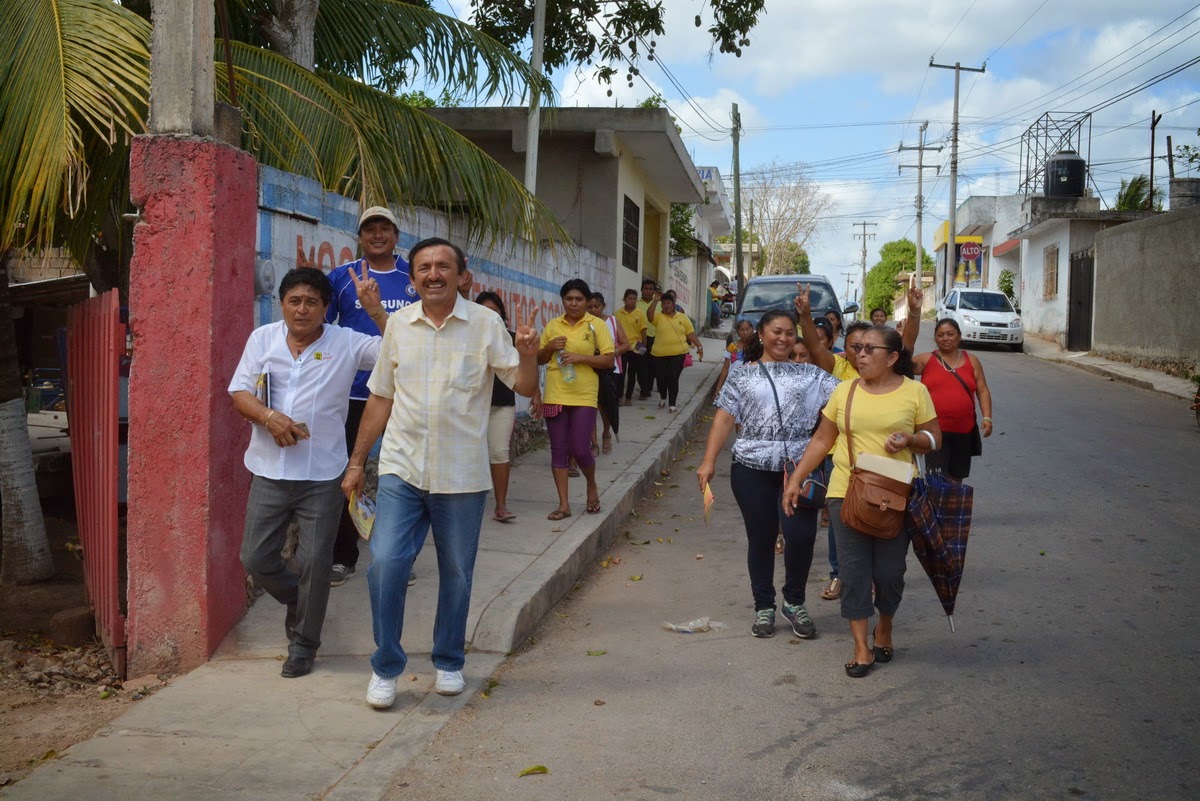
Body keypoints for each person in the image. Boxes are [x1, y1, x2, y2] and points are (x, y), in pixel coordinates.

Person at [341, 237, 539, 708]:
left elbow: (524, 386)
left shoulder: (486, 325)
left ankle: (449, 660)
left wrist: (529, 354)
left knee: (457, 572)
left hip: (462, 474)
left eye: (443, 266)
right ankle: (386, 666)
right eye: (424, 267)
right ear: (412, 280)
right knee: (386, 564)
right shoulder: (398, 327)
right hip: (402, 468)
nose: (433, 274)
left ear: (462, 275)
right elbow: (381, 396)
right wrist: (357, 461)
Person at [229, 266, 386, 679]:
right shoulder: (262, 339)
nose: (302, 309)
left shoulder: (346, 343)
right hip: (269, 469)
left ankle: (303, 645)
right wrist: (270, 418)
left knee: (316, 562)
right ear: (282, 304)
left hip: (322, 474)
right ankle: (301, 601)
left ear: (325, 308)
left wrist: (376, 312)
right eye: (294, 301)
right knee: (255, 557)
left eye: (312, 302)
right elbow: (240, 392)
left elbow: (399, 351)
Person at [783, 325, 941, 678]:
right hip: (846, 492)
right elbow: (822, 440)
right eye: (858, 348)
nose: (861, 354)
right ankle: (860, 647)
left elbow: (935, 438)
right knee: (853, 574)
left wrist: (911, 439)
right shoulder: (845, 391)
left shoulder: (915, 391)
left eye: (871, 349)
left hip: (895, 495)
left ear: (893, 357)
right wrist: (796, 478)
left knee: (889, 573)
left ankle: (884, 625)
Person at [697, 311, 838, 640]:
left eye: (789, 333)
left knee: (800, 536)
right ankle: (764, 606)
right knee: (760, 539)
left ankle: (794, 601)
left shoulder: (811, 375)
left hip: (798, 470)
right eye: (776, 331)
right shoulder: (741, 375)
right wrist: (708, 461)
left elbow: (848, 398)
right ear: (761, 334)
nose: (783, 338)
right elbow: (724, 419)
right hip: (751, 468)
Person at [325, 206, 417, 589]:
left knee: (404, 477)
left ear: (396, 236)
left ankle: (399, 558)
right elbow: (322, 329)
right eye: (369, 229)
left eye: (384, 229)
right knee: (348, 473)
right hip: (353, 395)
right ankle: (343, 556)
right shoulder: (341, 278)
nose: (377, 235)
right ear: (360, 237)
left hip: (404, 395)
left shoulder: (413, 277)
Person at [538, 279, 615, 520]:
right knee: (558, 450)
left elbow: (608, 360)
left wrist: (580, 357)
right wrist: (549, 347)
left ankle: (591, 485)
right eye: (569, 299)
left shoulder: (596, 325)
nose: (573, 303)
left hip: (584, 394)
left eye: (579, 299)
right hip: (555, 393)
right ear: (563, 301)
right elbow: (539, 359)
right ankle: (564, 505)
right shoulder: (553, 325)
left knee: (580, 448)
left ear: (587, 301)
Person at [912, 318, 994, 480]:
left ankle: (954, 498)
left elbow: (982, 390)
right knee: (936, 479)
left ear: (959, 336)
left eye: (950, 334)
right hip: (934, 431)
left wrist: (987, 417)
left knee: (957, 478)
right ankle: (937, 498)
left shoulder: (972, 361)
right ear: (935, 338)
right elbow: (899, 365)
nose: (945, 338)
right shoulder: (925, 360)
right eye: (940, 335)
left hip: (963, 430)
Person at [475, 291, 528, 522]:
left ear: (502, 316)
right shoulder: (467, 337)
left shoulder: (513, 339)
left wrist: (536, 395)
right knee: (472, 455)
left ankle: (501, 506)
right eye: (484, 311)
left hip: (502, 405)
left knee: (499, 452)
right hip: (473, 407)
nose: (489, 316)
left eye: (494, 311)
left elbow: (526, 372)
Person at [646, 290, 702, 412]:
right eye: (664, 303)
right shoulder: (658, 317)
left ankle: (672, 404)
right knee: (661, 379)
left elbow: (690, 334)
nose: (666, 305)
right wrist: (655, 301)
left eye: (668, 303)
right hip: (659, 355)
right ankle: (663, 397)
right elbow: (649, 316)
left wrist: (699, 346)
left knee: (673, 378)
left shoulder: (683, 317)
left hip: (679, 354)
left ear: (673, 304)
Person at [587, 292, 629, 455]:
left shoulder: (612, 321)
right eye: (590, 307)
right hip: (589, 370)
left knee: (606, 406)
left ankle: (606, 432)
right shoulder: (584, 323)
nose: (593, 310)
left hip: (610, 370)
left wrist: (613, 352)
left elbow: (626, 344)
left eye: (596, 306)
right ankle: (593, 442)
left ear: (603, 306)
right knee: (591, 406)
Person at [615, 288, 649, 406]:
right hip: (622, 346)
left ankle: (628, 397)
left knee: (632, 373)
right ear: (624, 299)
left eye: (634, 299)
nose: (632, 301)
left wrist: (644, 347)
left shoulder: (640, 313)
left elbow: (643, 331)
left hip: (636, 347)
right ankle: (619, 396)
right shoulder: (618, 313)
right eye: (630, 298)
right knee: (621, 373)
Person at [713, 318, 754, 398]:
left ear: (752, 330)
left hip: (750, 386)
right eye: (742, 330)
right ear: (738, 332)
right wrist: (718, 388)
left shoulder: (756, 348)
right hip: (733, 385)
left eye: (747, 329)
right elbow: (725, 368)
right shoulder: (732, 347)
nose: (745, 333)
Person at [634, 279, 660, 400]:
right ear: (641, 290)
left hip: (656, 339)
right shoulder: (635, 305)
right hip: (639, 340)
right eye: (645, 288)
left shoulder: (659, 305)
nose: (648, 291)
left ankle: (648, 387)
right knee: (640, 366)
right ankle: (644, 390)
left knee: (653, 366)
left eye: (650, 289)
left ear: (654, 291)